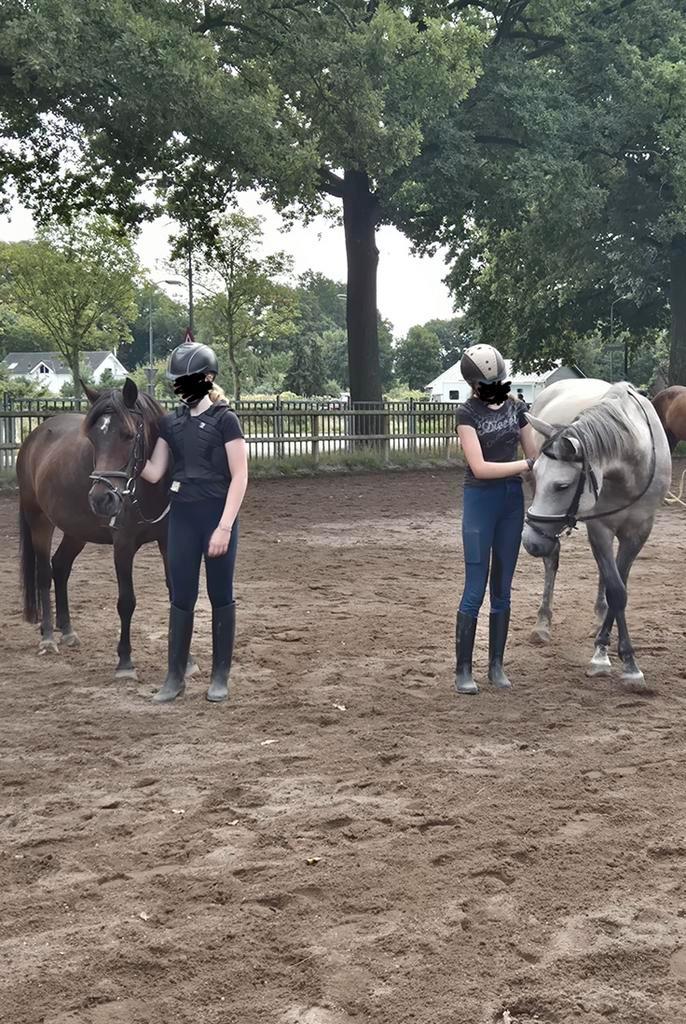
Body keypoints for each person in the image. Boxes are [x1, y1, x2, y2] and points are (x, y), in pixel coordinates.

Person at [140, 340, 248, 703]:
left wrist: (224, 527)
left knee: (220, 596)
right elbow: (154, 472)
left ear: (207, 378)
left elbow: (240, 476)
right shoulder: (170, 424)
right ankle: (174, 677)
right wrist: (124, 450)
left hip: (217, 516)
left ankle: (220, 676)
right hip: (182, 517)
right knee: (181, 596)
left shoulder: (226, 420)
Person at [455, 344, 538, 695]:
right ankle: (463, 670)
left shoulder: (518, 408)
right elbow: (480, 467)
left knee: (502, 587)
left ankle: (496, 666)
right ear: (474, 384)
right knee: (475, 586)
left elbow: (536, 453)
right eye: (486, 383)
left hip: (511, 503)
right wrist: (526, 466)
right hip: (480, 500)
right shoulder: (466, 415)